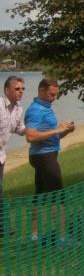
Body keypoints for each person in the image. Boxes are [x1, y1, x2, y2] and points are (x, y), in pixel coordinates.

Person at [25, 78, 76, 241]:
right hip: (43, 156)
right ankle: (63, 238)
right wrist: (57, 130)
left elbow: (53, 136)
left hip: (46, 154)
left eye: (56, 95)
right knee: (58, 195)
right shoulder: (35, 110)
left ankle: (34, 235)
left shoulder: (46, 107)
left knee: (39, 193)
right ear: (41, 91)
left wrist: (66, 130)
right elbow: (30, 136)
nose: (54, 98)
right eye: (51, 95)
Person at [1, 76, 27, 236]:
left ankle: (3, 228)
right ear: (7, 91)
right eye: (17, 89)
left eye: (23, 89)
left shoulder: (18, 109)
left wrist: (35, 130)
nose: (21, 92)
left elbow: (19, 128)